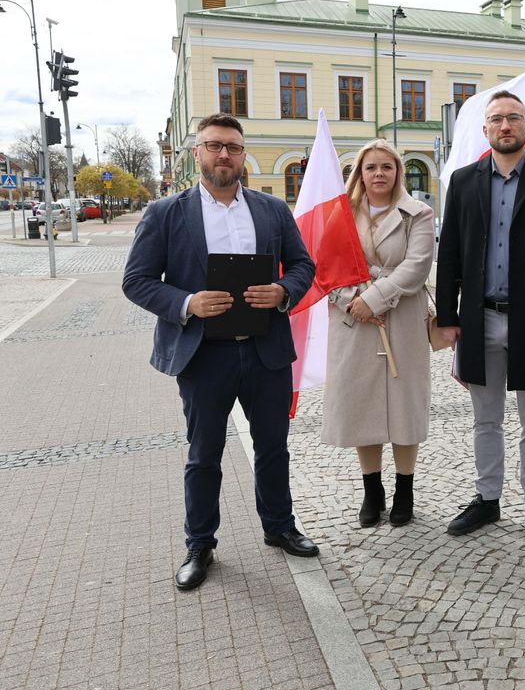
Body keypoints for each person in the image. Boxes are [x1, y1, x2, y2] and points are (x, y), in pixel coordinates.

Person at [122, 113, 318, 591]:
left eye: (232, 146)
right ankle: (199, 543)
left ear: (243, 151)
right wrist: (187, 302)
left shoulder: (272, 210)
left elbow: (302, 265)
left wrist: (283, 292)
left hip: (265, 350)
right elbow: (136, 281)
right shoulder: (166, 213)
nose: (224, 154)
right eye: (214, 146)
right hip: (204, 355)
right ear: (198, 153)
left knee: (273, 447)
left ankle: (280, 526)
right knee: (204, 453)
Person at [435, 90, 525, 542]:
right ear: (485, 129)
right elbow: (450, 250)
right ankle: (487, 499)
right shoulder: (463, 181)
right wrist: (447, 316)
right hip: (479, 319)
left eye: (513, 118)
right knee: (486, 418)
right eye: (497, 119)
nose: (505, 126)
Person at [321, 139, 434, 528]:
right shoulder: (340, 214)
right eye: (371, 167)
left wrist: (376, 297)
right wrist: (355, 300)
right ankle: (373, 490)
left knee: (404, 404)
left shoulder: (417, 213)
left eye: (387, 167)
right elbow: (326, 267)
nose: (379, 174)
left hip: (401, 320)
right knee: (362, 406)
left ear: (398, 172)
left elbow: (416, 266)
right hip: (353, 320)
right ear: (360, 173)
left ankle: (405, 488)